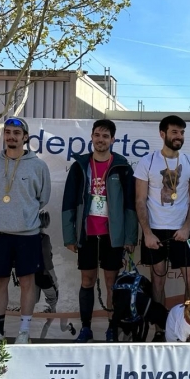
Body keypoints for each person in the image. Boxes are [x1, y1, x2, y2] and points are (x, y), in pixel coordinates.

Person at [62, 119, 137, 343]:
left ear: (113, 140)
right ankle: (86, 328)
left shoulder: (122, 167)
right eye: (97, 135)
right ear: (92, 137)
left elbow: (130, 205)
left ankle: (112, 328)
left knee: (111, 282)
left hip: (112, 235)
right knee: (87, 280)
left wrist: (130, 236)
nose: (101, 140)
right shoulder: (80, 166)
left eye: (105, 136)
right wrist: (69, 235)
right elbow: (68, 202)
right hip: (87, 233)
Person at [0, 117, 51, 345]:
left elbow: (43, 198)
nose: (11, 136)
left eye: (16, 132)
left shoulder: (38, 166)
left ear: (25, 137)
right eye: (8, 132)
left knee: (27, 282)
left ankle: (24, 332)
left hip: (27, 234)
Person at [134, 114, 190, 341]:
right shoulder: (148, 162)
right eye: (174, 132)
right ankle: (161, 328)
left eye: (181, 132)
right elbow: (140, 200)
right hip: (155, 231)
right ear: (162, 134)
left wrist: (186, 227)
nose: (179, 137)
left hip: (182, 230)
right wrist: (147, 233)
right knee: (158, 281)